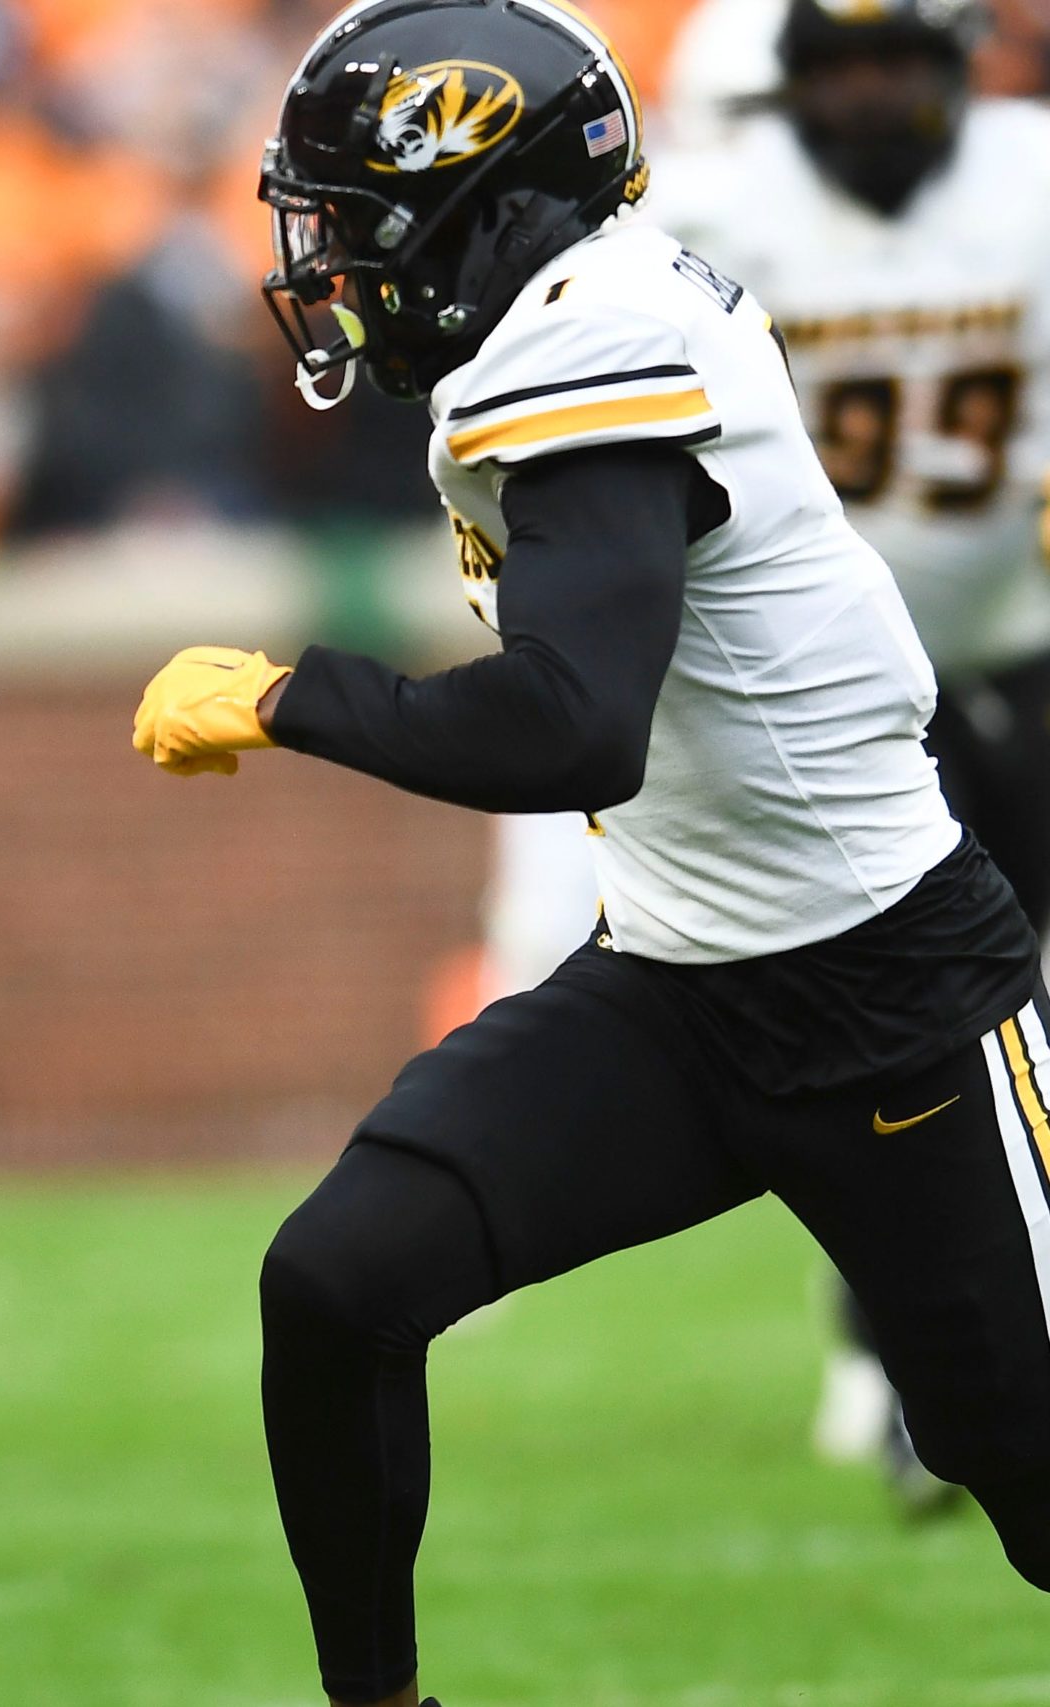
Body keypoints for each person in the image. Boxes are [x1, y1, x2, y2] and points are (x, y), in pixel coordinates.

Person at [129, 3, 1050, 1704]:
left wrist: (293, 697)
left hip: (895, 990)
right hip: (682, 990)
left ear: (482, 202)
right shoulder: (580, 310)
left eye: (353, 218)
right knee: (338, 1281)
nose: (329, 260)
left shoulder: (593, 334)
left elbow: (573, 726)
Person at [492, 0, 1050, 1513]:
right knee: (914, 1026)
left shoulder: (1030, 183)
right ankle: (897, 1343)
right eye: (838, 67)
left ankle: (971, 1341)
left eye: (897, 62)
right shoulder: (715, 224)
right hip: (836, 696)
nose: (868, 97)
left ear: (954, 71)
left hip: (1022, 648)